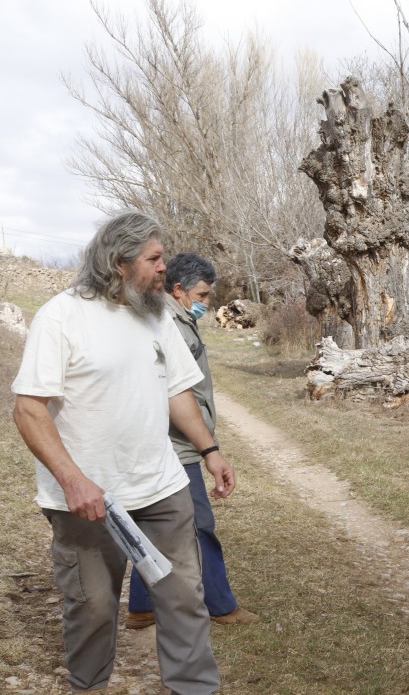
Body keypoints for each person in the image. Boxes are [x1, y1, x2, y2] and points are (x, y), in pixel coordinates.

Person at [11, 211, 234, 695]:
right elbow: (28, 410)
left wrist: (209, 449)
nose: (163, 269)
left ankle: (193, 687)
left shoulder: (155, 315)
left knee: (184, 597)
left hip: (161, 485)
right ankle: (88, 685)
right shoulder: (62, 315)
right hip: (88, 497)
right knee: (92, 606)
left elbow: (178, 391)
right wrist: (73, 480)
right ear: (118, 262)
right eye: (154, 259)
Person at [126, 252, 258, 629]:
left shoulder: (175, 318)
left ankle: (142, 605)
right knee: (200, 526)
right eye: (201, 295)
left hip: (171, 444)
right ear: (178, 289)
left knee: (157, 525)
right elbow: (173, 393)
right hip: (178, 446)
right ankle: (220, 605)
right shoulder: (169, 323)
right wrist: (206, 448)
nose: (206, 303)